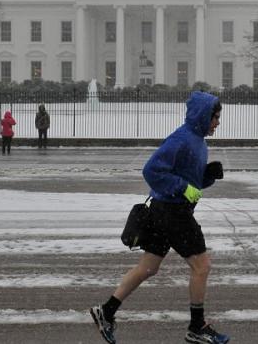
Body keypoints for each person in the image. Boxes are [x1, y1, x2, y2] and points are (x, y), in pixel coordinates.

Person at [90, 91, 229, 344]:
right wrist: (182, 187)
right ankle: (197, 327)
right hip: (172, 212)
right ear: (203, 116)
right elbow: (152, 171)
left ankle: (106, 311)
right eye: (215, 117)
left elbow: (190, 183)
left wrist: (207, 176)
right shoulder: (182, 139)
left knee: (148, 267)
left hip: (165, 209)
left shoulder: (198, 140)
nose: (217, 123)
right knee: (202, 266)